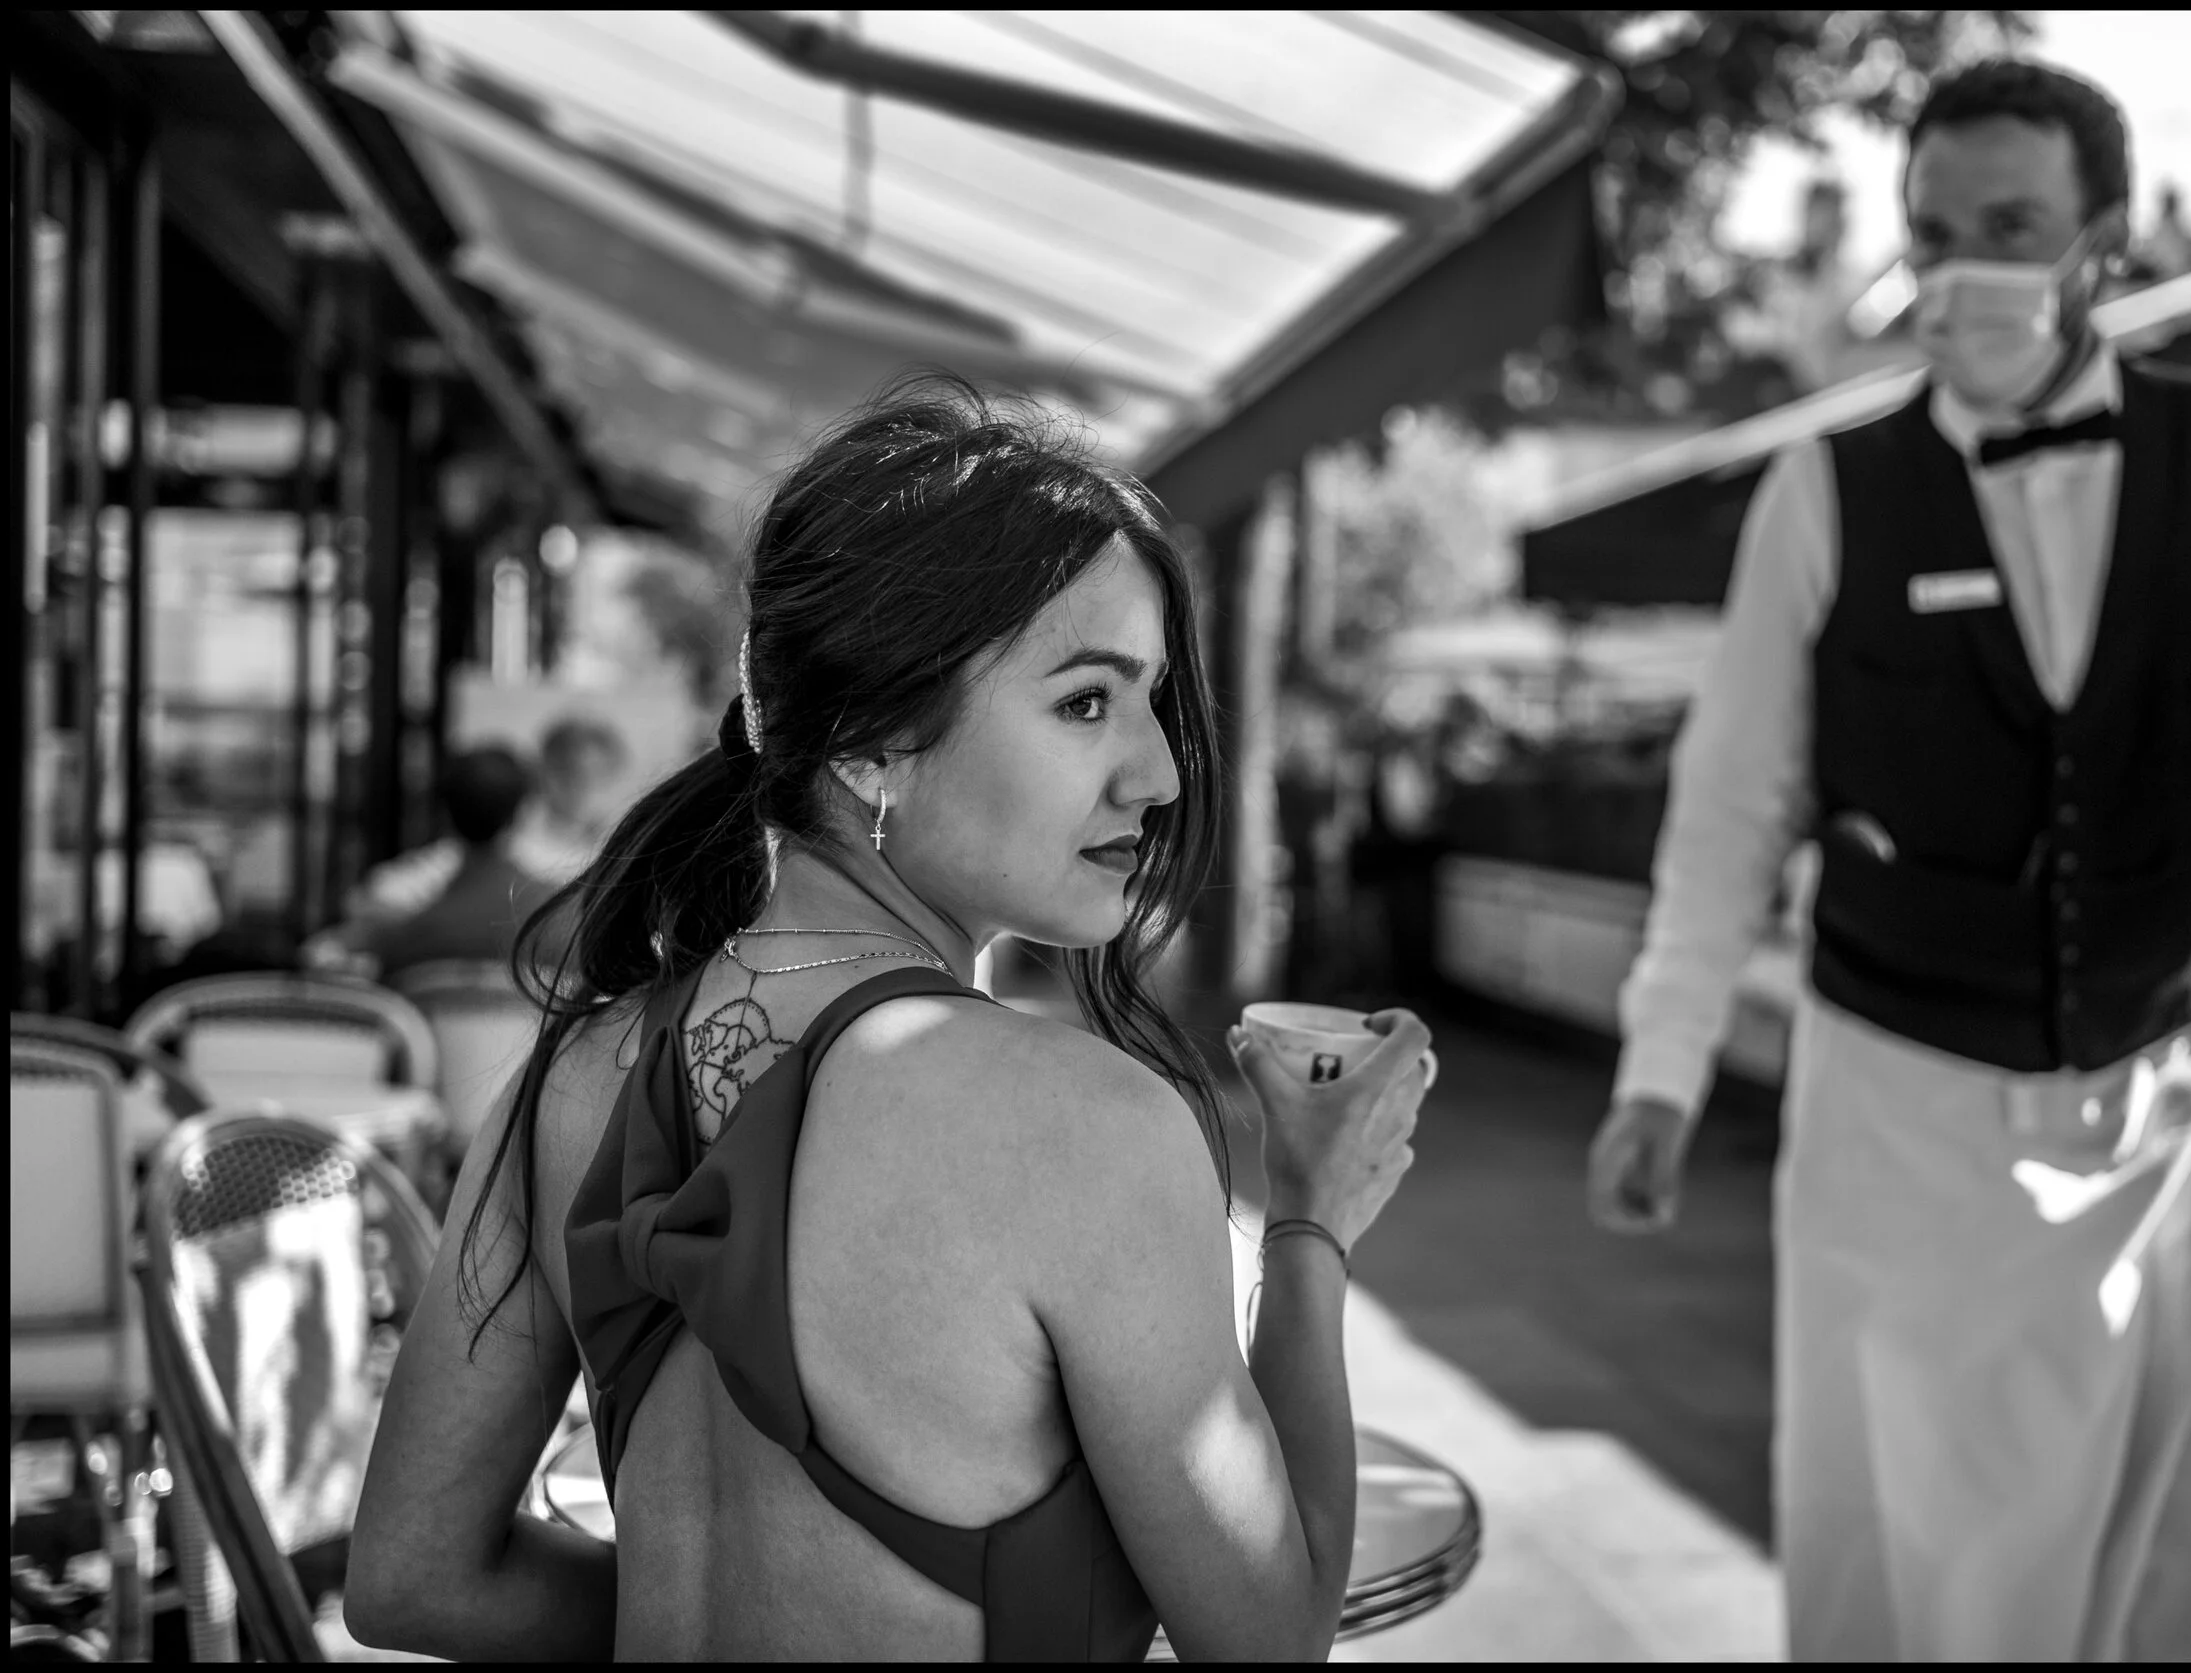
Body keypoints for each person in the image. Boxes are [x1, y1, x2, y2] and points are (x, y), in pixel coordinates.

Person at [1586, 58, 2191, 1664]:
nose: (1962, 268)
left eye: (2011, 225)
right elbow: (1727, 811)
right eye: (1934, 230)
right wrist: (1664, 1068)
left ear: (2104, 246)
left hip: (2184, 1086)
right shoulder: (1823, 490)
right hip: (1902, 1120)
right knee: (1940, 1582)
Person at [345, 378, 1432, 1661]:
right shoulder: (1084, 1127)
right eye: (1086, 701)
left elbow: (413, 1575)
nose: (1162, 773)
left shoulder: (573, 1070)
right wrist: (1310, 1218)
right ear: (867, 740)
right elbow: (1270, 1634)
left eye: (1152, 703)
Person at [339, 715, 633, 931]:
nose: (590, 790)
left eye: (603, 777)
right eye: (575, 776)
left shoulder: (618, 853)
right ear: (546, 774)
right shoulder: (508, 843)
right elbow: (379, 895)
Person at [324, 746, 561, 981]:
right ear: (523, 813)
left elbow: (326, 950)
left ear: (445, 814)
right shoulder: (561, 921)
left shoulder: (407, 938)